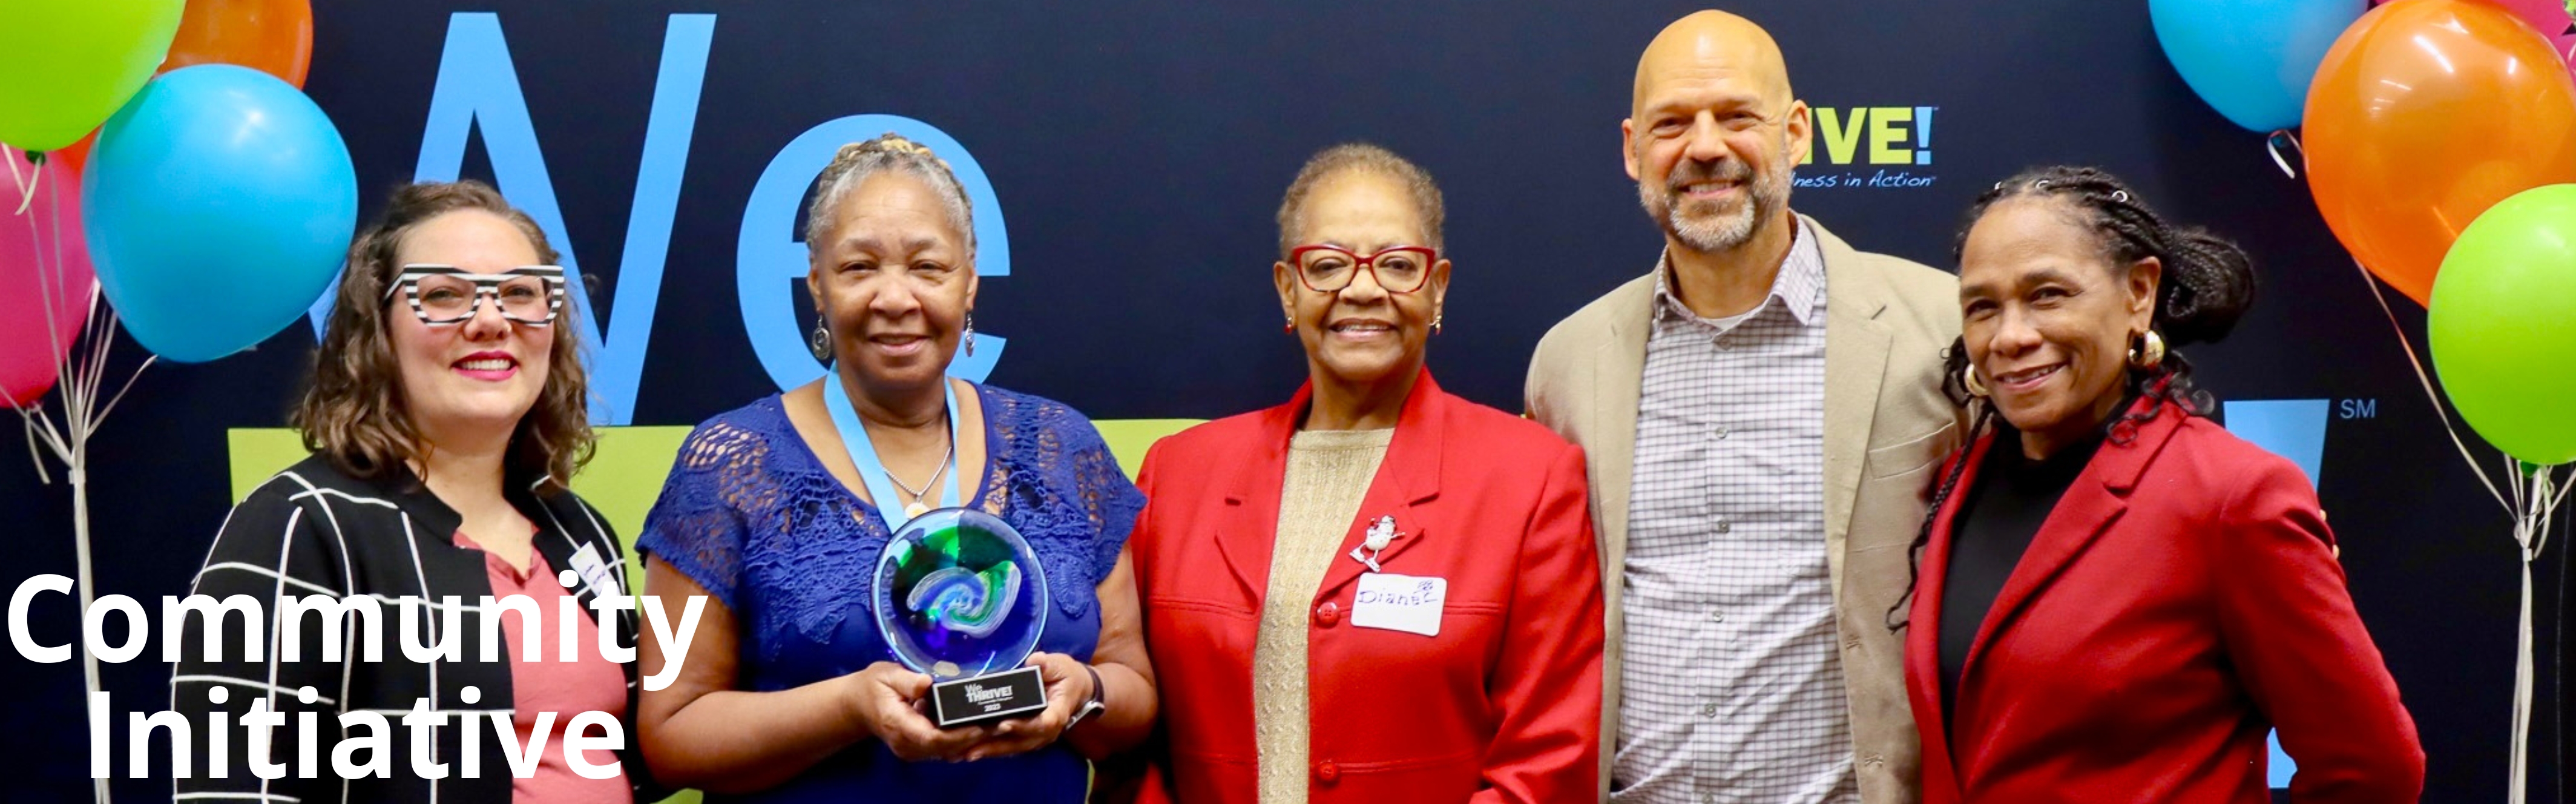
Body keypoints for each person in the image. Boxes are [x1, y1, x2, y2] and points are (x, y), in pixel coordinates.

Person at [631, 134, 1155, 803]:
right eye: (859, 267)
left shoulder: (1062, 448)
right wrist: (849, 706)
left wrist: (1085, 693)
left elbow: (1133, 694)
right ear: (817, 285)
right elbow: (671, 730)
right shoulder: (729, 464)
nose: (895, 298)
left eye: (927, 267)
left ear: (969, 282)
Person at [1524, 10, 1965, 803]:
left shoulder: (1939, 329)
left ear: (1795, 132)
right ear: (1632, 149)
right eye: (1671, 124)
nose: (1704, 147)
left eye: (1736, 116)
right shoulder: (1567, 363)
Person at [1899, 165, 2423, 802]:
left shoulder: (2231, 496)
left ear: (2139, 293)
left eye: (2047, 294)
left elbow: (2373, 769)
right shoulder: (1956, 482)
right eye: (1983, 307)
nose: (2010, 336)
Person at [1131, 143, 1603, 804]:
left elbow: (1548, 758)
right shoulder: (1178, 476)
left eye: (1397, 264)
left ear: (1437, 288)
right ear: (1287, 289)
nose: (1361, 288)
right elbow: (1135, 743)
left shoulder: (1530, 479)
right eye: (1327, 265)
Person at [173, 180, 657, 803]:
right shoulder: (300, 526)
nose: (491, 321)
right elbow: (233, 786)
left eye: (519, 293)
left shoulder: (578, 530)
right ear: (377, 331)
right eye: (444, 296)